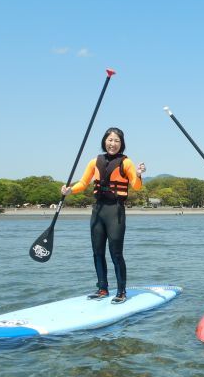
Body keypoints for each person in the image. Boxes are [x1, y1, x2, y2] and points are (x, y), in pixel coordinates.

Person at [61, 127, 145, 303]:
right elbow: (83, 183)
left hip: (115, 210)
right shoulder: (94, 161)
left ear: (121, 144)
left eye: (117, 141)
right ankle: (102, 289)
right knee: (97, 251)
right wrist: (70, 190)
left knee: (116, 253)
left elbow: (136, 186)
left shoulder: (126, 162)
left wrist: (138, 174)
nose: (113, 144)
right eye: (110, 140)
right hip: (98, 210)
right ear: (104, 141)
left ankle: (121, 291)